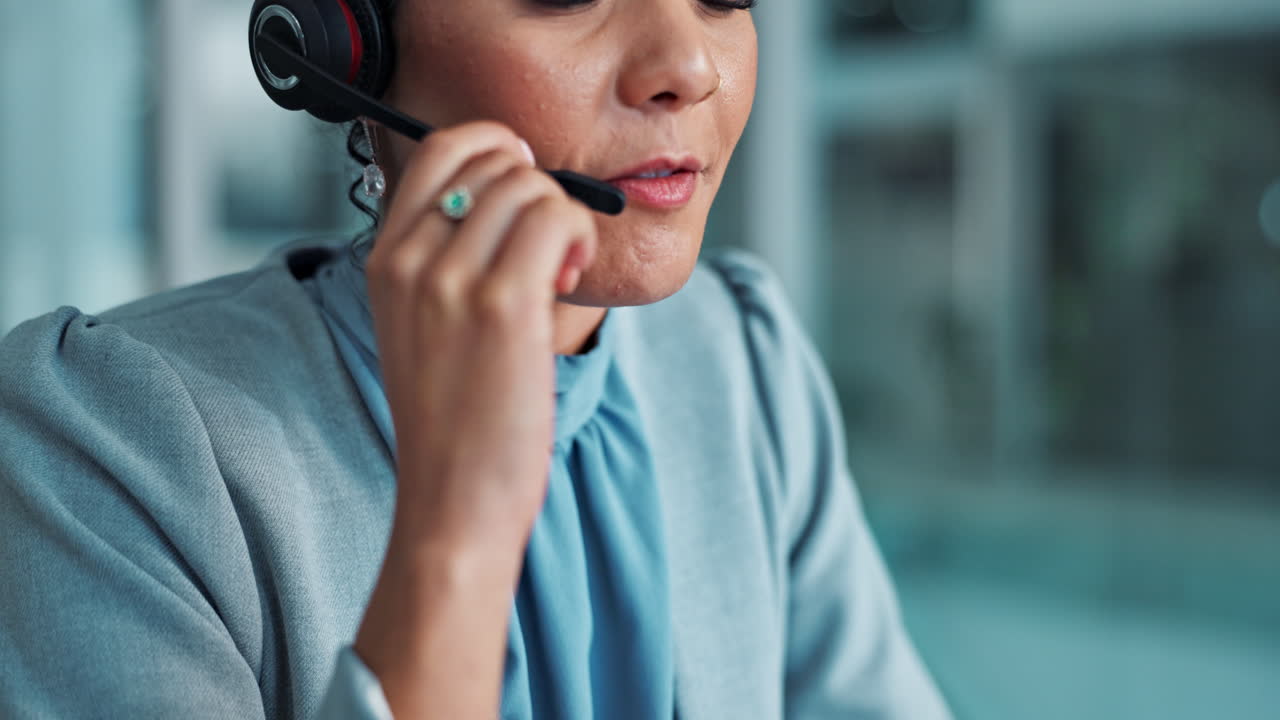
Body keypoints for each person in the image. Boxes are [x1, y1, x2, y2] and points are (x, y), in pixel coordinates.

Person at [0, 1, 951, 718]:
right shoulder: (104, 439)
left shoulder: (741, 361)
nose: (689, 66)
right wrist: (458, 528)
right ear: (343, 43)